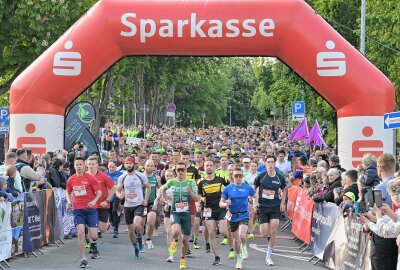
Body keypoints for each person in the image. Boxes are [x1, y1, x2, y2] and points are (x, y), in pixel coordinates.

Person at [162, 162, 201, 269]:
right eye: (178, 170)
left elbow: (197, 198)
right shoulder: (172, 181)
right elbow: (163, 189)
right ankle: (175, 241)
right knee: (175, 231)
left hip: (186, 214)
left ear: (185, 171)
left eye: (182, 170)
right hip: (175, 212)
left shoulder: (191, 182)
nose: (180, 172)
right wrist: (166, 200)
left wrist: (190, 193)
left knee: (185, 240)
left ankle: (182, 258)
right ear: (176, 171)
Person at [66, 157, 102, 268]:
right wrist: (69, 202)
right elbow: (68, 192)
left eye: (80, 164)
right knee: (80, 233)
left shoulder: (90, 178)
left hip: (91, 209)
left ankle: (93, 243)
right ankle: (83, 259)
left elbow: (99, 193)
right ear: (74, 165)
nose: (78, 166)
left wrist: (93, 201)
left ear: (84, 166)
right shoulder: (71, 179)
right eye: (76, 164)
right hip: (78, 210)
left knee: (94, 235)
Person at [254, 155, 287, 266]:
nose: (270, 164)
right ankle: (269, 239)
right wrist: (255, 201)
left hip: (275, 206)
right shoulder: (261, 176)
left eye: (272, 162)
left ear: (275, 164)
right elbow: (254, 189)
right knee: (264, 233)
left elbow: (284, 190)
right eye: (268, 162)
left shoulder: (279, 177)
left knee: (274, 230)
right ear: (265, 163)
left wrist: (282, 203)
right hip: (263, 206)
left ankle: (268, 255)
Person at [220, 168, 256, 270]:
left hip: (244, 215)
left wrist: (254, 205)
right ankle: (239, 259)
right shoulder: (228, 188)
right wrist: (225, 203)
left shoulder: (247, 187)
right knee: (236, 240)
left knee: (242, 235)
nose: (238, 178)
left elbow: (255, 196)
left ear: (242, 177)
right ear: (233, 177)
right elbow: (221, 203)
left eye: (240, 176)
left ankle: (244, 245)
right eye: (236, 176)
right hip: (232, 216)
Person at [115, 156, 151, 259]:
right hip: (127, 205)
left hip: (139, 204)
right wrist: (119, 195)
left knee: (136, 224)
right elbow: (117, 190)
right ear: (124, 165)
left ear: (134, 164)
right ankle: (136, 247)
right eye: (127, 163)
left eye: (130, 163)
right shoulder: (122, 177)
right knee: (130, 230)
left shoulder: (140, 176)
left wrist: (146, 200)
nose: (128, 165)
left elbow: (148, 187)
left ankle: (140, 237)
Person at [197, 159, 229, 266]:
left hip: (220, 208)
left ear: (215, 167)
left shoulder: (221, 178)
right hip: (208, 209)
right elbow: (198, 196)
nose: (209, 167)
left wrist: (228, 200)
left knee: (224, 231)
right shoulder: (200, 182)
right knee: (211, 232)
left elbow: (230, 188)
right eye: (207, 165)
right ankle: (217, 257)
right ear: (204, 167)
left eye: (211, 165)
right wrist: (201, 200)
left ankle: (233, 247)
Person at [86, 156, 116, 241]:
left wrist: (107, 200)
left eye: (93, 164)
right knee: (90, 226)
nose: (91, 166)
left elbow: (113, 188)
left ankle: (107, 225)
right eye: (89, 164)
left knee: (102, 229)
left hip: (102, 204)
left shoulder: (103, 176)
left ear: (97, 165)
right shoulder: (85, 176)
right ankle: (90, 245)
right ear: (87, 165)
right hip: (90, 205)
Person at [154, 169, 175, 262]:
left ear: (174, 176)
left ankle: (176, 243)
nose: (169, 177)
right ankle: (171, 255)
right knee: (168, 231)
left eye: (171, 176)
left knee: (176, 233)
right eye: (167, 176)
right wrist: (155, 205)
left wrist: (171, 200)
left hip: (178, 210)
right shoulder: (162, 188)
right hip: (168, 210)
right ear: (165, 177)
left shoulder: (177, 186)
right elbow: (157, 199)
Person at [142, 159, 161, 250]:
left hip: (151, 203)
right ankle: (140, 238)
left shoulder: (156, 178)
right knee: (140, 224)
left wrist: (160, 200)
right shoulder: (140, 176)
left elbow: (160, 189)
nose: (149, 168)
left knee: (151, 221)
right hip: (140, 203)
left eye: (151, 166)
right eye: (148, 165)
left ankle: (149, 239)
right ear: (144, 166)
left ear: (154, 167)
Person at [105, 161, 124, 238]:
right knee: (110, 212)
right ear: (108, 167)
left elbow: (124, 183)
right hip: (108, 196)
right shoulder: (105, 174)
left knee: (114, 211)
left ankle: (116, 229)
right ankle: (112, 221)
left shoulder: (120, 174)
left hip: (116, 195)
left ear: (116, 167)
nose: (111, 169)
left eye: (113, 167)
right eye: (110, 167)